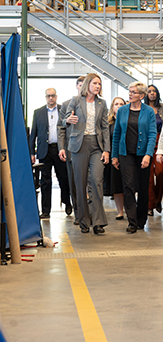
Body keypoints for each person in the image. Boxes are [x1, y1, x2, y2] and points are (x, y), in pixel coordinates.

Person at [65, 73, 110, 235]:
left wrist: (106, 150)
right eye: (95, 83)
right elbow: (64, 120)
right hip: (79, 145)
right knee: (80, 183)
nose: (97, 86)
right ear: (87, 85)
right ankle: (83, 220)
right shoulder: (76, 101)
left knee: (97, 181)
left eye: (99, 84)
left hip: (96, 146)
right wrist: (68, 120)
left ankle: (98, 221)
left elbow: (105, 128)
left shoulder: (102, 103)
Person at [112, 82, 157, 234]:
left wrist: (148, 155)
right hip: (126, 154)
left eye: (134, 92)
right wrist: (114, 155)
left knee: (143, 188)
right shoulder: (122, 111)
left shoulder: (149, 111)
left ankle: (141, 220)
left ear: (142, 96)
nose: (130, 94)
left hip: (143, 154)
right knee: (128, 187)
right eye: (129, 91)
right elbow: (117, 134)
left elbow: (152, 134)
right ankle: (132, 221)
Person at [29, 88, 71, 219]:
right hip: (44, 151)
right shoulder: (38, 112)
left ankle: (67, 203)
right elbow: (33, 134)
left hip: (60, 150)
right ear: (45, 97)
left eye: (53, 96)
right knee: (45, 181)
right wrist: (31, 153)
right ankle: (45, 211)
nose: (51, 98)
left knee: (63, 178)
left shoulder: (62, 110)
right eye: (48, 96)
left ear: (56, 97)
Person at [57, 75, 86, 225]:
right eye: (81, 85)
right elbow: (61, 128)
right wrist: (62, 147)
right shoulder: (67, 104)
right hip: (72, 149)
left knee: (92, 182)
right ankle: (79, 213)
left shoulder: (97, 104)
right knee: (75, 182)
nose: (83, 87)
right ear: (77, 86)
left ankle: (91, 213)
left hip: (91, 149)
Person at [144, 84, 163, 216]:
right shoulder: (143, 109)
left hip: (160, 143)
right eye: (149, 91)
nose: (152, 93)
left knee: (160, 173)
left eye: (154, 91)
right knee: (148, 176)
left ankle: (158, 201)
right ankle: (150, 205)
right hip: (147, 143)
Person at [104, 97, 126, 219]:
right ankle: (120, 211)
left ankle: (130, 208)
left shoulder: (128, 120)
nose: (118, 106)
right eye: (116, 104)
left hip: (127, 155)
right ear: (112, 107)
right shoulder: (108, 123)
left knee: (128, 184)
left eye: (121, 104)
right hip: (114, 156)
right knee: (117, 185)